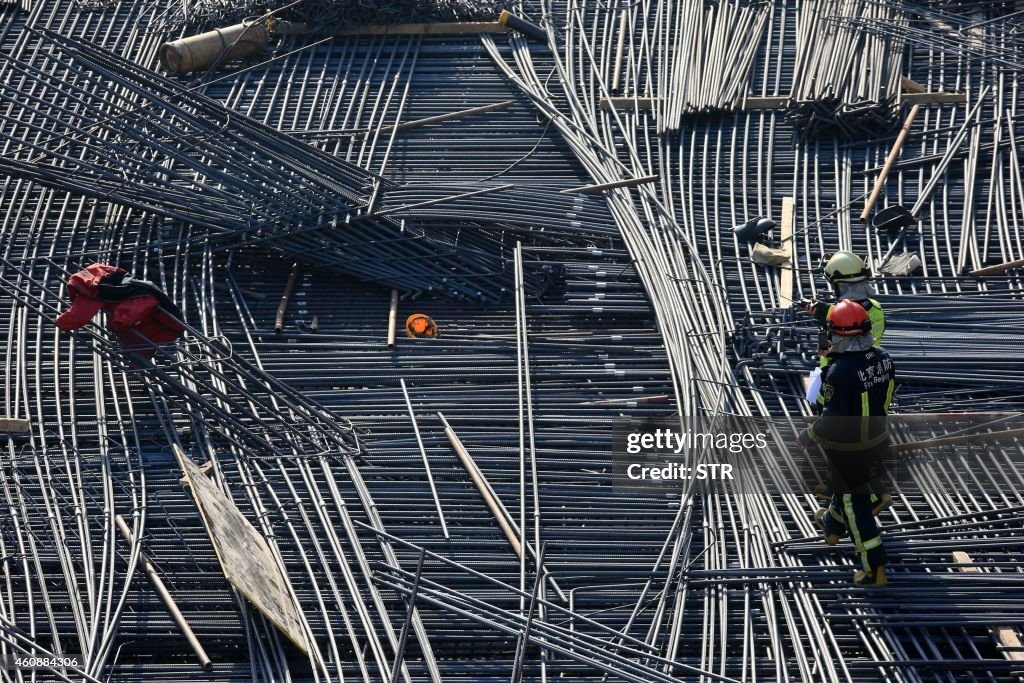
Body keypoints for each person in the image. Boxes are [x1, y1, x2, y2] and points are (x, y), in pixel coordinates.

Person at [797, 300, 896, 588]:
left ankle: (873, 568)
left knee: (858, 511)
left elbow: (832, 418)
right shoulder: (884, 358)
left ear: (836, 335)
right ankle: (831, 527)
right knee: (847, 493)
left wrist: (808, 436)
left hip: (850, 451)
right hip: (878, 440)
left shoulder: (840, 372)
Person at [803, 251, 885, 365]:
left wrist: (827, 314)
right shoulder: (876, 307)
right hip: (870, 367)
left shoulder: (838, 316)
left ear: (840, 285)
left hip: (841, 374)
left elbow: (842, 348)